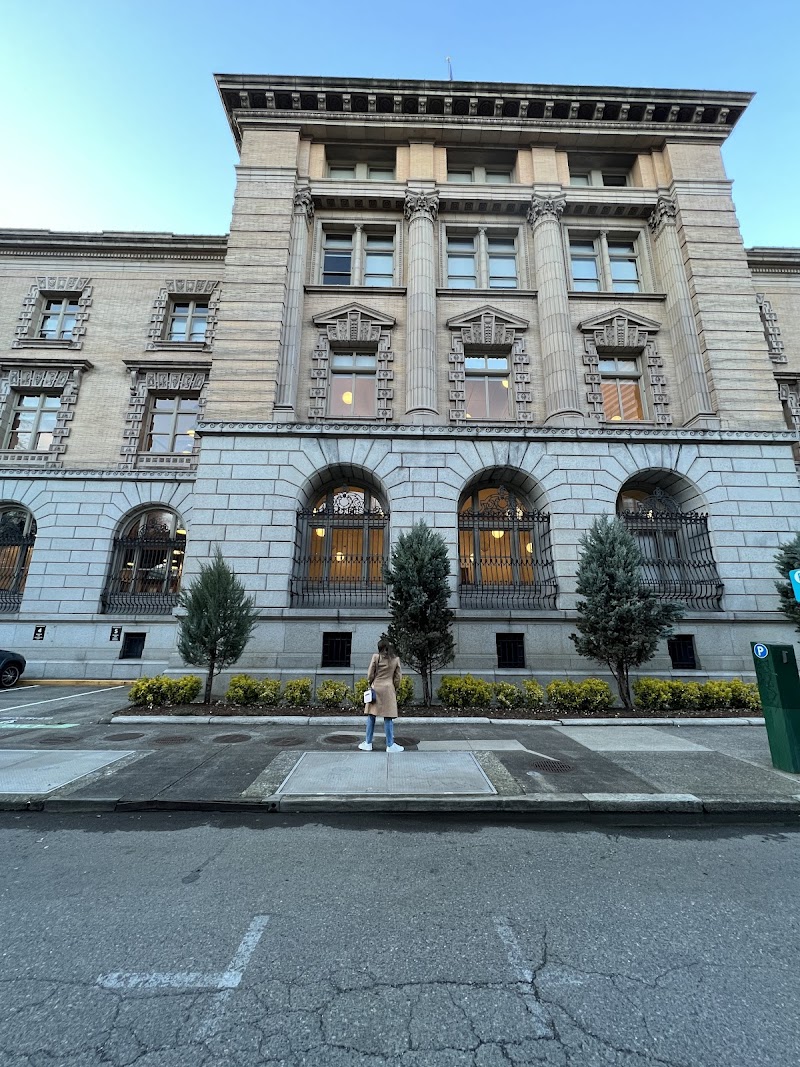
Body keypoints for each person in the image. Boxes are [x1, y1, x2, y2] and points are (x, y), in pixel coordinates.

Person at [358, 638, 404, 753]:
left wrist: (371, 683)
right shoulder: (396, 659)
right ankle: (390, 745)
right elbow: (398, 677)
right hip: (388, 689)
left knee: (371, 716)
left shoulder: (376, 657)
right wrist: (394, 687)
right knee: (388, 717)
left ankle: (368, 743)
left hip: (376, 688)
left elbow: (370, 674)